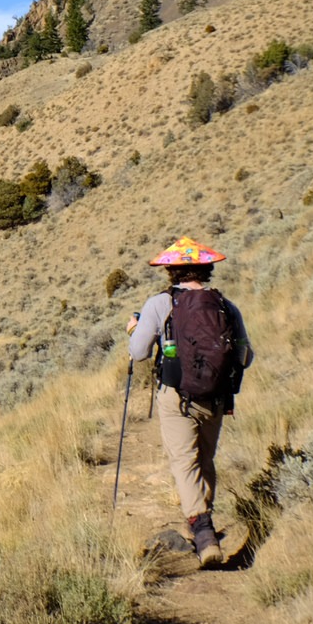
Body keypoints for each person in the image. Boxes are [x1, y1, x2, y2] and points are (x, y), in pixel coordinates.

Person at [127, 236, 252, 568]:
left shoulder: (160, 304)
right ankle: (204, 525)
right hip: (216, 397)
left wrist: (134, 329)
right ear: (205, 268)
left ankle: (203, 531)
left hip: (176, 395)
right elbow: (246, 355)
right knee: (205, 460)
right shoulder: (225, 305)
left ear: (172, 271)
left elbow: (138, 353)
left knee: (184, 462)